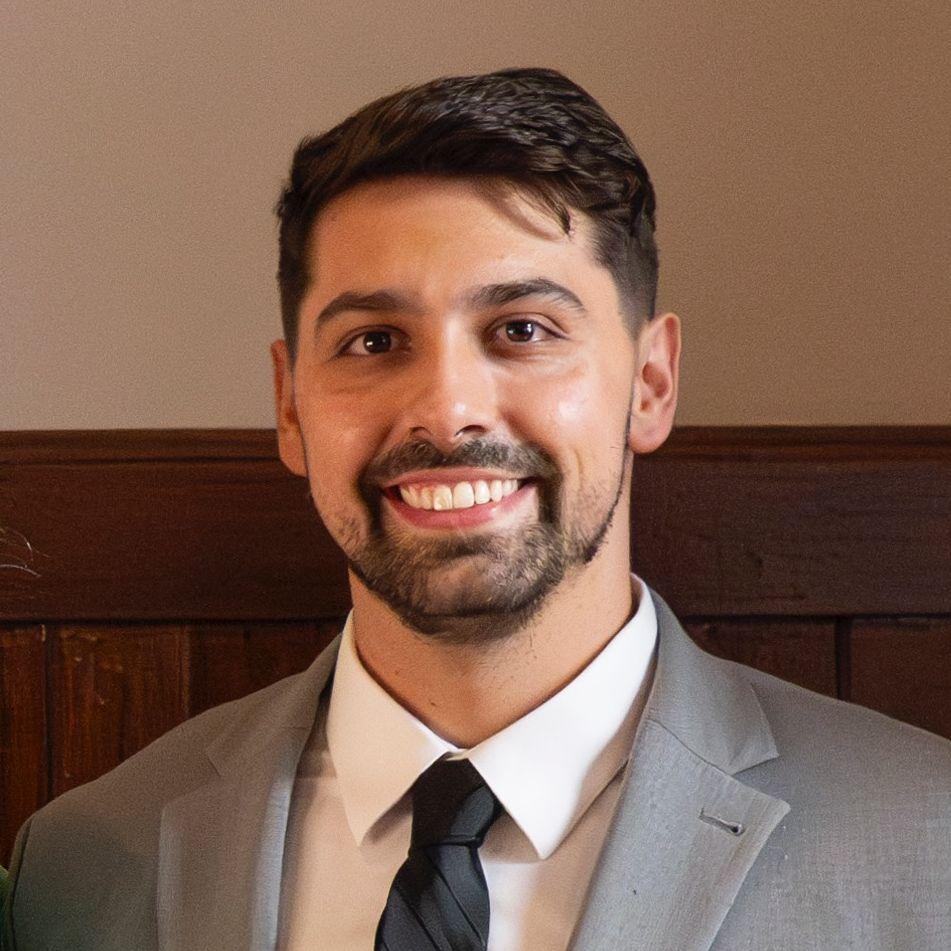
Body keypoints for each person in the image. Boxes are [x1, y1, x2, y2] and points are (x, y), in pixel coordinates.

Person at [6, 67, 951, 951]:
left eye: (522, 329)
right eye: (375, 341)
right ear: (290, 404)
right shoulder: (80, 868)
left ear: (650, 383)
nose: (447, 408)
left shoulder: (926, 842)